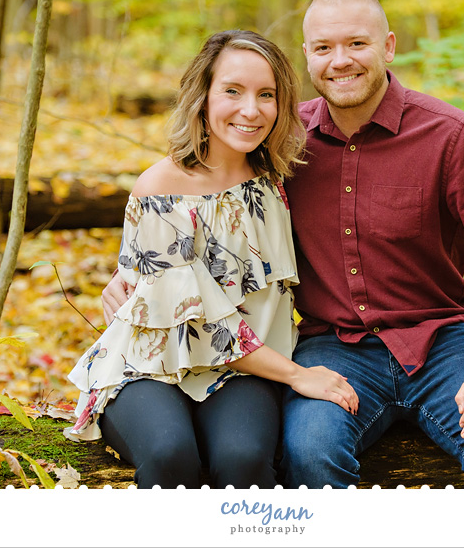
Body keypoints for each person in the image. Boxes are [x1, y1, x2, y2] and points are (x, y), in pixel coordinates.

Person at [277, 0, 464, 489]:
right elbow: (204, 187)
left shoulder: (450, 135)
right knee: (307, 452)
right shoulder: (282, 140)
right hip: (332, 346)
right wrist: (135, 270)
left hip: (443, 341)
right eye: (323, 48)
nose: (341, 61)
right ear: (307, 57)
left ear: (389, 46)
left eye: (357, 43)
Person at [70, 29, 358, 490]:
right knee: (170, 456)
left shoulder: (278, 176)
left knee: (243, 460)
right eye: (232, 91)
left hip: (247, 366)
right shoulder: (160, 188)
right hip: (152, 364)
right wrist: (300, 376)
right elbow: (202, 325)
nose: (251, 110)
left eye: (267, 95)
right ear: (202, 96)